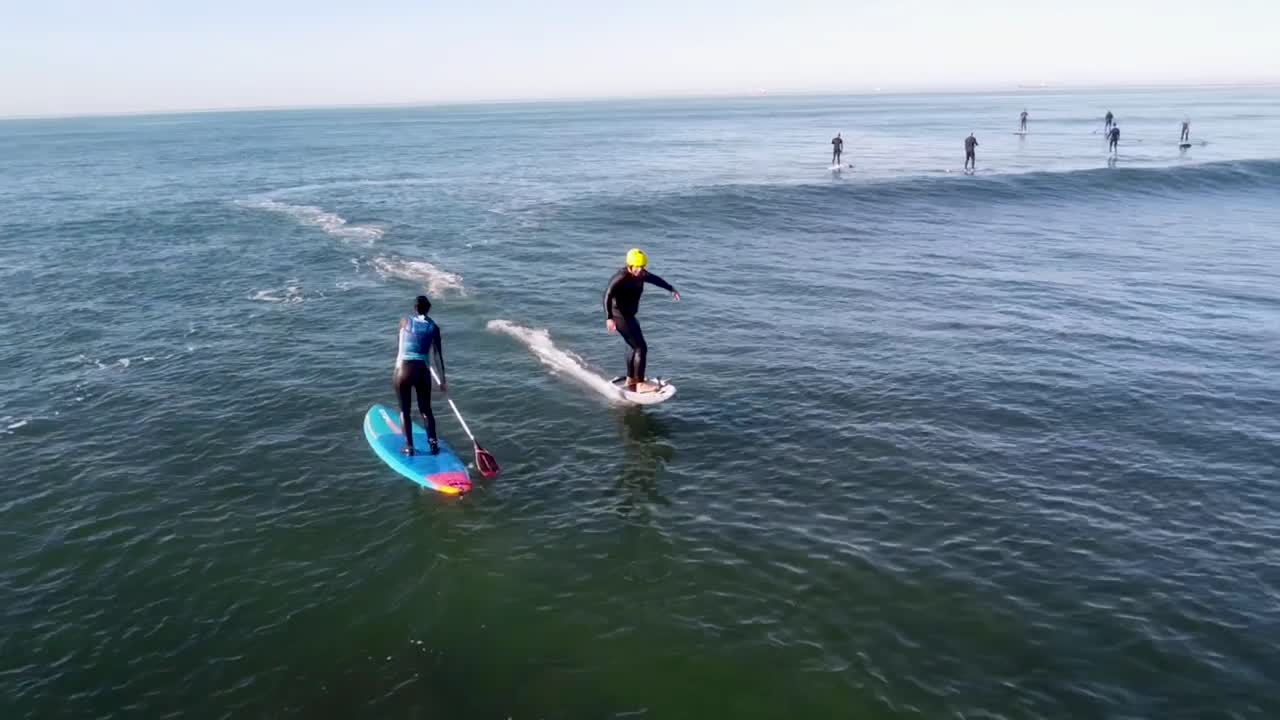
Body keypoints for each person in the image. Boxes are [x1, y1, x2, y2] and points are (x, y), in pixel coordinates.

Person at [603, 248, 681, 393]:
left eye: (642, 267)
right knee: (641, 347)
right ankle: (639, 384)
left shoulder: (641, 275)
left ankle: (631, 379)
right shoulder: (620, 277)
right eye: (637, 267)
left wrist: (671, 289)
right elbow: (607, 295)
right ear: (630, 266)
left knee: (632, 346)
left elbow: (655, 279)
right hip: (620, 316)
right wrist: (609, 318)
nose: (640, 270)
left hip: (630, 316)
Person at [394, 295, 446, 456]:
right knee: (426, 410)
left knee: (405, 410)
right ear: (428, 309)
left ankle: (409, 447)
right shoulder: (434, 327)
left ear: (415, 308)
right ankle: (433, 445)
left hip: (404, 369)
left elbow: (401, 348)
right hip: (422, 370)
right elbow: (437, 356)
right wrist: (442, 381)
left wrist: (397, 369)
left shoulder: (405, 321)